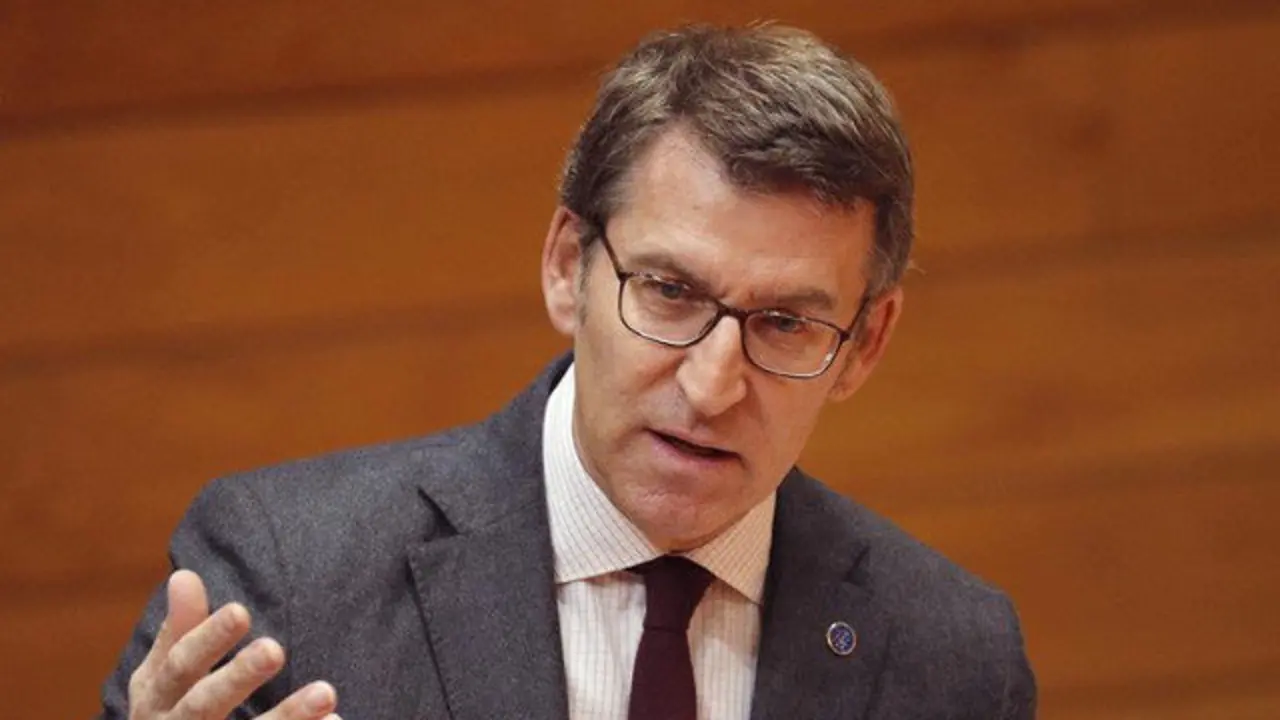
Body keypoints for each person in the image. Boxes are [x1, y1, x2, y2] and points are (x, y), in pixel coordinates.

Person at [99, 22, 1036, 720]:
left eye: (786, 323)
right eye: (669, 291)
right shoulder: (290, 574)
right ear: (565, 268)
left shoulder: (953, 659)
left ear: (865, 344)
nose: (712, 387)